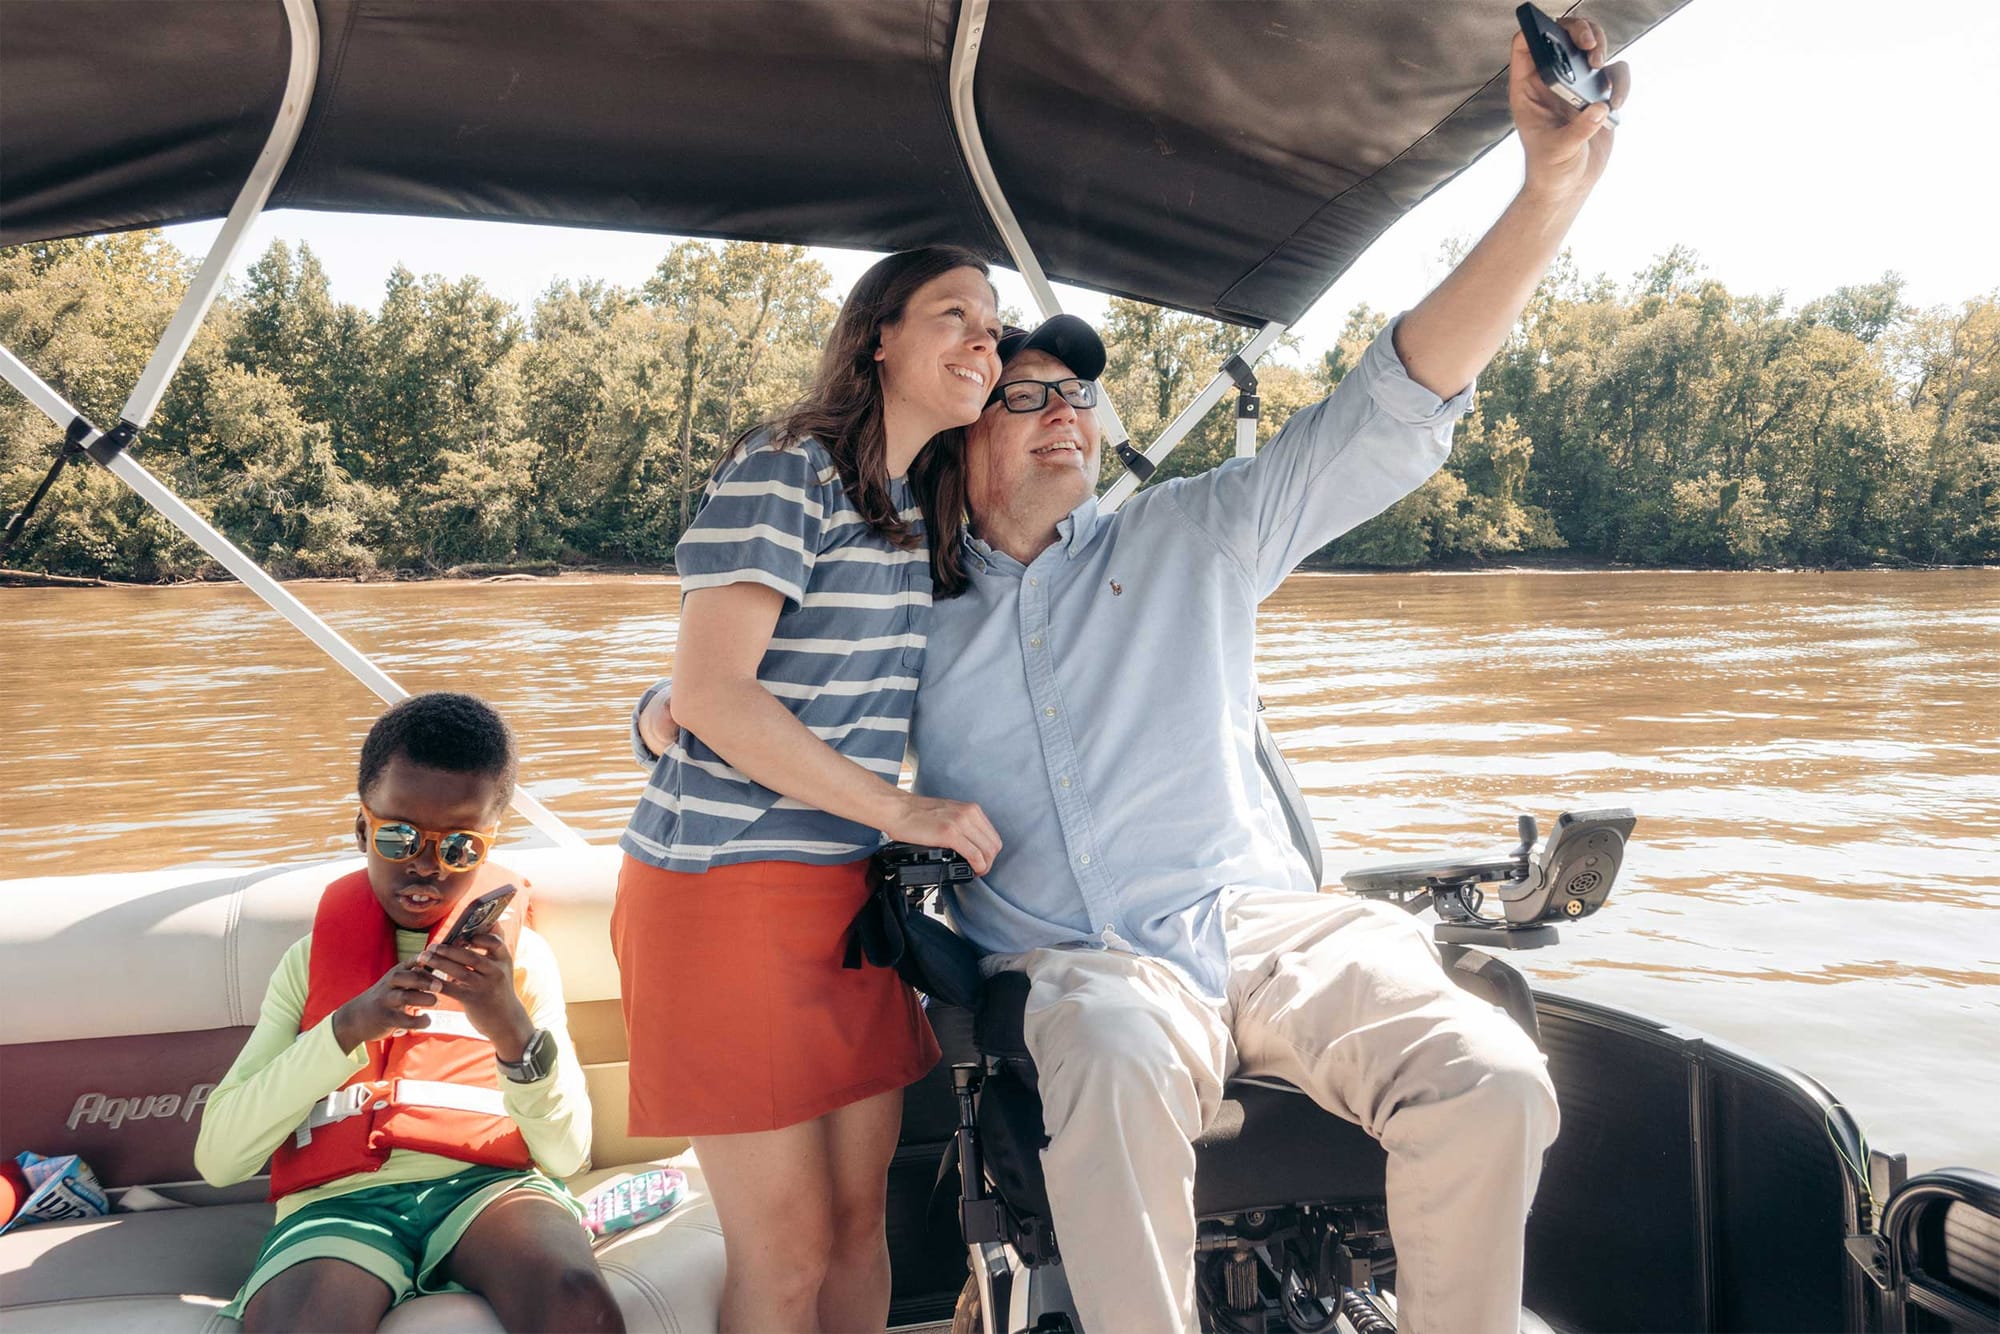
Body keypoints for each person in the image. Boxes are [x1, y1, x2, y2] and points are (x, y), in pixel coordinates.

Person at [898, 20, 1632, 1334]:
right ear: (957, 444)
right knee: (1115, 1055)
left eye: (1081, 392)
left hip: (1267, 930)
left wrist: (1549, 190)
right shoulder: (902, 619)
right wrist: (672, 714)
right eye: (1028, 395)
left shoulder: (1195, 531)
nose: (1070, 408)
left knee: (1497, 1079)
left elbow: (1392, 403)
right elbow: (747, 713)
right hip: (1084, 966)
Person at [613, 246, 1005, 1334]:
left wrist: (662, 712)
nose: (983, 337)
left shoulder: (916, 506)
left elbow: (704, 695)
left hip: (843, 901)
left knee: (854, 1228)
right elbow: (712, 692)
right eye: (953, 313)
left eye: (993, 321)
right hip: (721, 893)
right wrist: (902, 809)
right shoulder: (789, 468)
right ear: (877, 334)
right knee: (783, 1255)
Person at [194, 692, 618, 1332]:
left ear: (488, 844)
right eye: (399, 836)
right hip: (338, 1206)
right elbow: (219, 1158)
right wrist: (345, 1029)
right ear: (362, 827)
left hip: (489, 1192)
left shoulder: (520, 961)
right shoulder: (306, 965)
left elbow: (565, 1156)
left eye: (460, 848)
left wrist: (511, 1031)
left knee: (573, 1297)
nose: (426, 865)